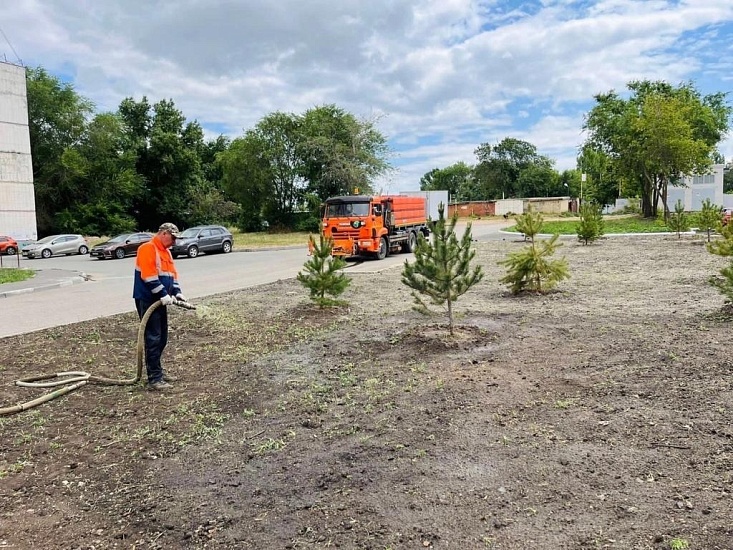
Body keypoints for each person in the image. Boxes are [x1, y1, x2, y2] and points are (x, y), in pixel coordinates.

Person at [133, 222, 188, 391]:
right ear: (163, 233)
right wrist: (163, 294)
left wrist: (177, 291)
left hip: (161, 300)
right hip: (148, 300)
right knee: (153, 338)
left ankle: (158, 371)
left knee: (162, 337)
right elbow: (148, 276)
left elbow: (172, 275)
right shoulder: (147, 248)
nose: (174, 242)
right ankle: (154, 379)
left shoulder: (166, 252)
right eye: (173, 238)